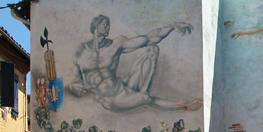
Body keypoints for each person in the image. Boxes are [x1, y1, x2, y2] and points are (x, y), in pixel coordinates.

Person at [70, 15, 202, 112]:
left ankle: (185, 105)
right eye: (104, 24)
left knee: (151, 49)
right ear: (95, 25)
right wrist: (74, 87)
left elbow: (149, 38)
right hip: (111, 100)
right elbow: (76, 80)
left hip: (122, 88)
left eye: (109, 25)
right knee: (145, 98)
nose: (107, 27)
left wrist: (172, 26)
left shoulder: (115, 45)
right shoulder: (80, 50)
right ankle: (184, 105)